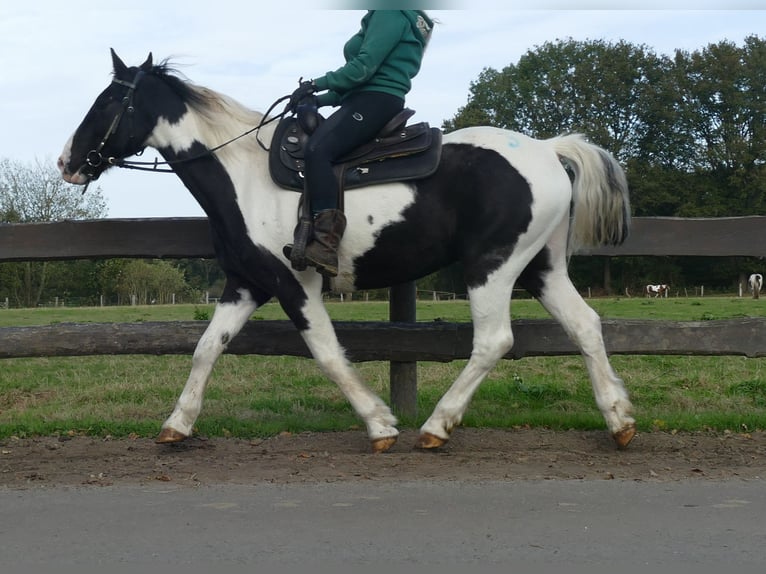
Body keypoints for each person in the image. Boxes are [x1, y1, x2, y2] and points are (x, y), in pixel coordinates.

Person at [283, 10, 434, 277]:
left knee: (318, 149)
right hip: (370, 98)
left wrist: (315, 84)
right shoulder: (405, 16)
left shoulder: (390, 11)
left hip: (374, 100)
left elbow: (363, 68)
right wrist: (317, 99)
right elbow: (360, 81)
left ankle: (326, 243)